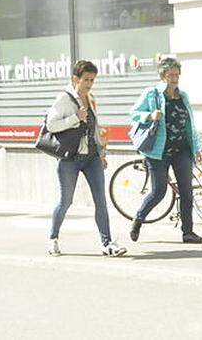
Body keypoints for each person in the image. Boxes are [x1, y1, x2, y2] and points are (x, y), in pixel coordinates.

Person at [45, 60, 126, 257]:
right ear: (75, 79)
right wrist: (75, 118)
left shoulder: (91, 98)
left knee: (101, 201)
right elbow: (51, 125)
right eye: (86, 80)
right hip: (70, 159)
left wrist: (101, 153)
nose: (89, 84)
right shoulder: (64, 99)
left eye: (92, 80)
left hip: (91, 158)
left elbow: (94, 129)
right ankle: (53, 239)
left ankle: (107, 244)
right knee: (66, 201)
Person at [128, 57, 202, 244]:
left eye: (177, 75)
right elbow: (134, 113)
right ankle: (138, 218)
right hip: (158, 152)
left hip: (182, 151)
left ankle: (188, 232)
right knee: (159, 192)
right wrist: (149, 115)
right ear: (163, 76)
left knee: (187, 191)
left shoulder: (183, 96)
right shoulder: (152, 94)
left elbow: (190, 125)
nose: (174, 78)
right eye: (170, 75)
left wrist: (197, 147)